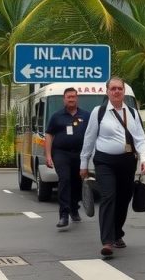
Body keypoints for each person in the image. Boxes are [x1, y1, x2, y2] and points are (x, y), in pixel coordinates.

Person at [79, 77, 145, 256]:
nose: (116, 91)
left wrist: (144, 159)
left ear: (124, 91)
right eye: (113, 89)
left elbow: (141, 139)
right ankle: (107, 241)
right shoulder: (99, 112)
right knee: (109, 196)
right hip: (105, 162)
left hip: (127, 162)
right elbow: (89, 138)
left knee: (124, 198)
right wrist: (83, 163)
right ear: (107, 91)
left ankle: (117, 232)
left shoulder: (133, 113)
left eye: (120, 88)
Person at [45, 87, 89, 228]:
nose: (71, 99)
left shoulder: (86, 115)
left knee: (77, 182)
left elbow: (92, 134)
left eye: (73, 97)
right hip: (61, 153)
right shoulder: (56, 116)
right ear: (64, 99)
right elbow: (49, 135)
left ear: (77, 98)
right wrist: (48, 155)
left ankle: (74, 209)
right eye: (68, 97)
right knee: (65, 179)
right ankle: (63, 215)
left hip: (79, 154)